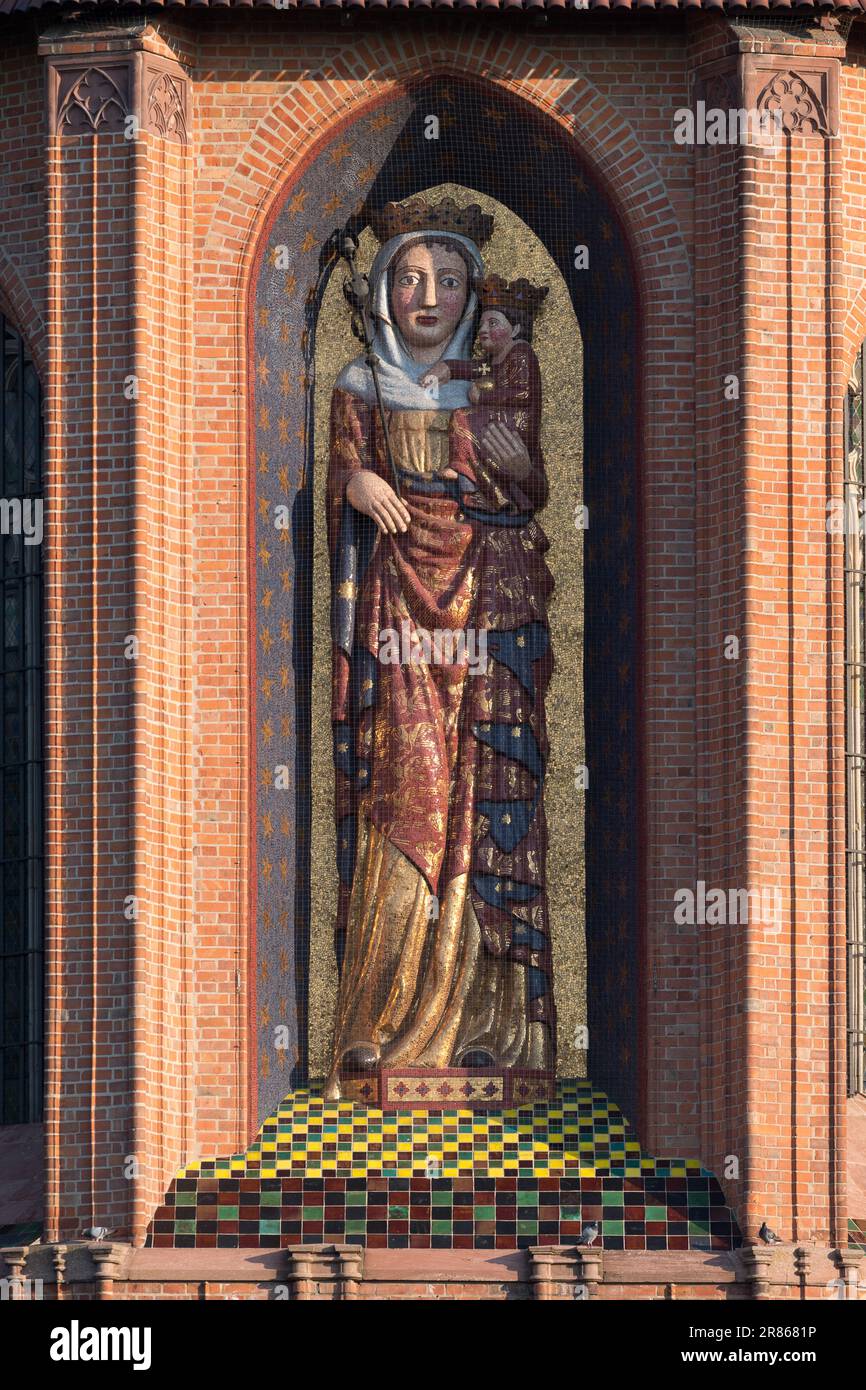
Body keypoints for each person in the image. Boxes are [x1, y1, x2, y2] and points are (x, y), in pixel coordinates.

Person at [324, 198, 556, 1099]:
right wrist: (357, 478)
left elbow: (526, 487)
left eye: (449, 280)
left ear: (471, 294)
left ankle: (487, 1031)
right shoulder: (359, 383)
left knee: (483, 794)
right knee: (406, 791)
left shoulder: (495, 383)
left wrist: (520, 465)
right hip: (400, 620)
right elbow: (345, 465)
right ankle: (377, 1025)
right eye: (412, 278)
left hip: (485, 607)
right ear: (385, 289)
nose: (430, 295)